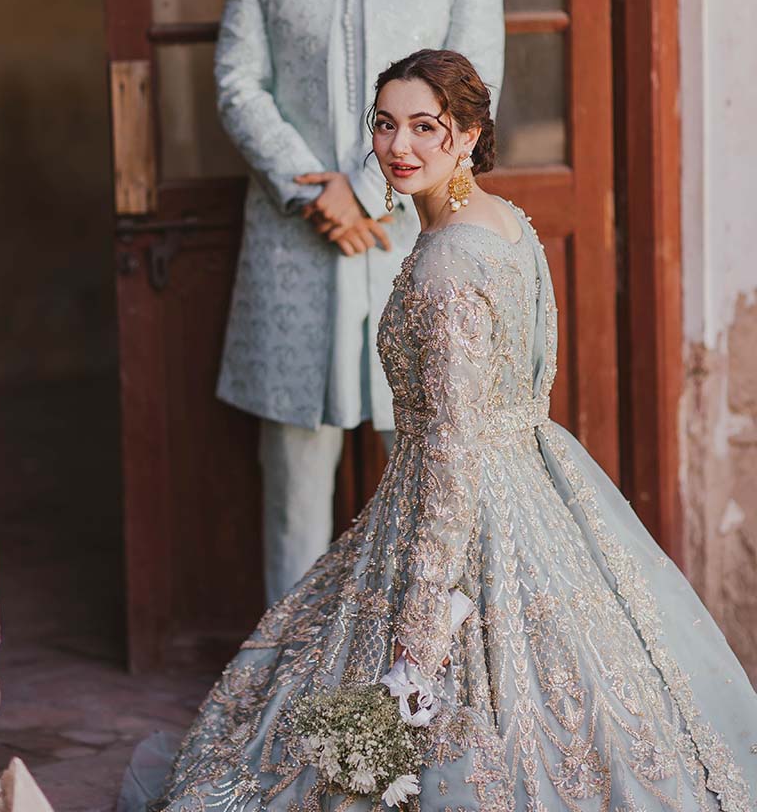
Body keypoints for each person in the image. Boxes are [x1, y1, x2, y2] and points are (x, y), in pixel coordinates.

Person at [121, 50, 756, 812]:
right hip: (535, 474)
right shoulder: (508, 223)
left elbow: (453, 456)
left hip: (464, 498)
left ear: (469, 135)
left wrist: (418, 635)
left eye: (427, 127)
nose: (400, 147)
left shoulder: (445, 268)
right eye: (386, 125)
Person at [214, 0, 505, 603]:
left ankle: (421, 667)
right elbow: (237, 85)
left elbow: (471, 95)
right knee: (293, 489)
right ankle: (287, 674)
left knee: (432, 476)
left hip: (417, 245)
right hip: (296, 245)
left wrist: (363, 184)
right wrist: (316, 192)